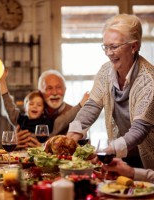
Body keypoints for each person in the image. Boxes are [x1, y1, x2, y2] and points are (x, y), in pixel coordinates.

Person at [67, 14, 154, 169]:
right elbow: (92, 106)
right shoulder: (106, 71)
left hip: (149, 160)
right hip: (123, 155)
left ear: (134, 46)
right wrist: (71, 137)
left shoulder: (149, 81)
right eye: (105, 47)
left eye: (114, 47)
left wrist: (108, 151)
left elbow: (140, 130)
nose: (108, 53)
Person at [0, 69, 89, 148]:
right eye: (49, 88)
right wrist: (16, 143)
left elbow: (84, 148)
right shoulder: (28, 114)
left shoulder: (77, 115)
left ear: (65, 89)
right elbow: (9, 107)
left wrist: (45, 148)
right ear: (40, 92)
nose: (54, 92)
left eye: (59, 87)